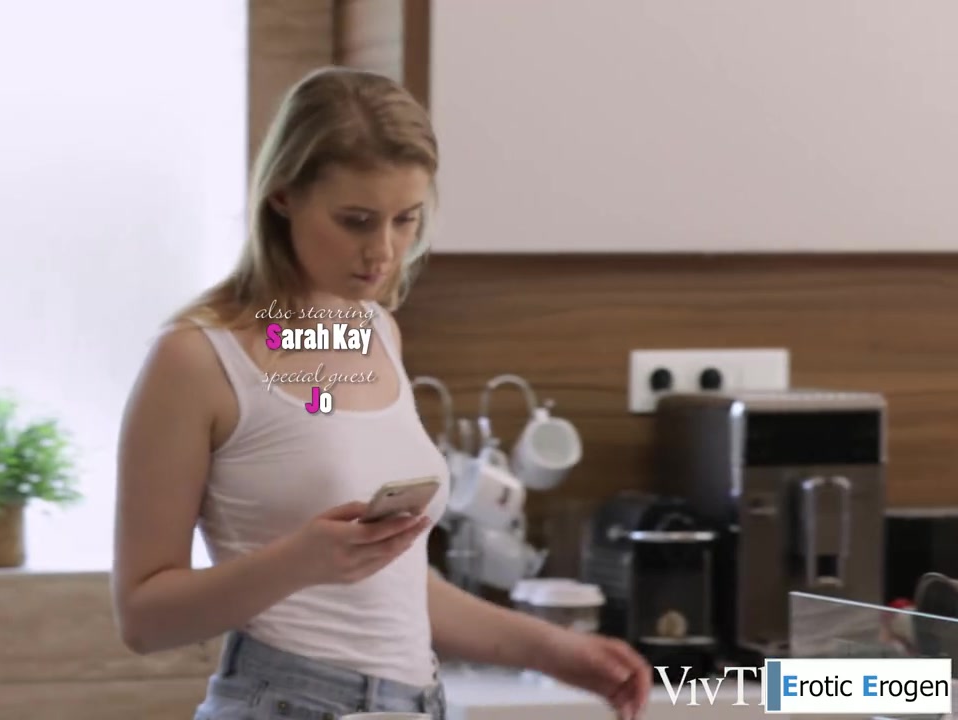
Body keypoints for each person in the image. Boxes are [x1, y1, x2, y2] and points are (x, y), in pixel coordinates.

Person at [111, 66, 652, 720]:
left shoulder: (376, 332)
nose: (384, 251)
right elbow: (143, 618)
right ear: (282, 195)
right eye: (356, 221)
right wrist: (298, 562)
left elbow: (394, 589)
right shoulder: (197, 358)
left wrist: (554, 650)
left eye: (405, 220)